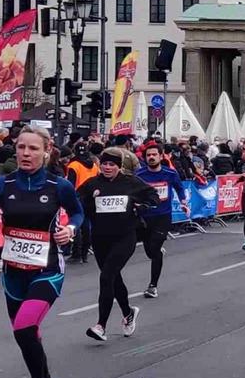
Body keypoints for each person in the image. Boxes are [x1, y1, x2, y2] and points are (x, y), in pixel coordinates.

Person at [0, 130, 82, 378]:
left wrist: (69, 229)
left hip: (47, 270)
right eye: (21, 147)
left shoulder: (59, 186)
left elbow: (79, 214)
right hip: (13, 273)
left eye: (33, 148)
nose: (25, 153)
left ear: (47, 151)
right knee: (26, 335)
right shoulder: (1, 185)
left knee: (24, 327)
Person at [76, 146, 155, 342]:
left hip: (125, 237)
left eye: (112, 164)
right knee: (113, 279)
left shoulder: (130, 182)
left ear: (119, 167)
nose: (107, 168)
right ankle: (128, 313)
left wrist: (142, 206)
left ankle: (100, 325)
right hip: (101, 239)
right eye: (104, 164)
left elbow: (152, 196)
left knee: (106, 277)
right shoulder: (92, 184)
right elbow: (77, 203)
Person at [135, 139, 178, 298]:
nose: (151, 157)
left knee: (154, 249)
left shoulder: (170, 173)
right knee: (150, 250)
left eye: (154, 154)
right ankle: (157, 251)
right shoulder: (139, 175)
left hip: (163, 216)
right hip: (145, 218)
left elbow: (180, 189)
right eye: (148, 155)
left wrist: (184, 202)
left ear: (161, 156)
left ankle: (153, 286)